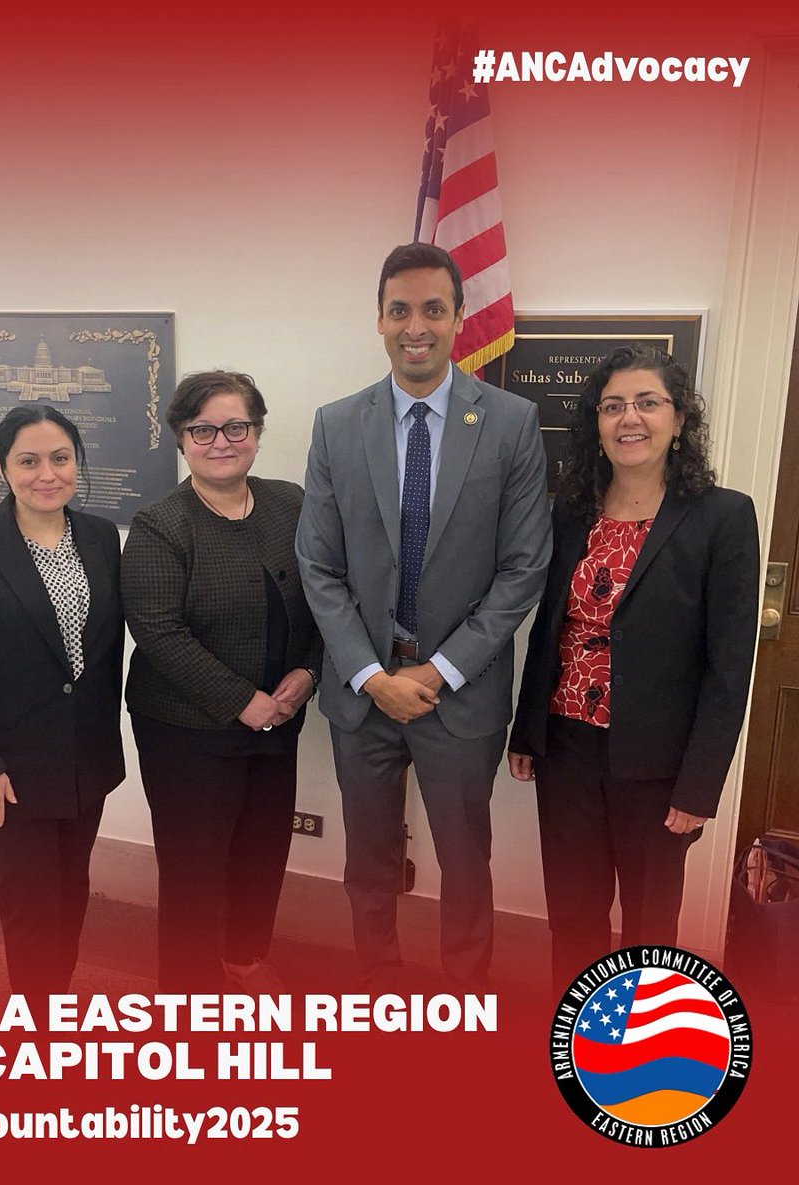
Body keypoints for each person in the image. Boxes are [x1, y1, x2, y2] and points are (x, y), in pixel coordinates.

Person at [296, 243, 552, 991]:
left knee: (466, 861)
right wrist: (373, 675)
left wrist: (436, 672)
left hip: (459, 694)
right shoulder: (337, 425)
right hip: (364, 692)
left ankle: (465, 996)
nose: (417, 326)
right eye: (400, 309)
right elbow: (320, 566)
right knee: (367, 857)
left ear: (458, 318)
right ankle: (377, 988)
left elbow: (523, 569)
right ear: (379, 318)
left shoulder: (509, 424)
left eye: (433, 309)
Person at [507, 344, 760, 993]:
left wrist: (699, 786)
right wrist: (525, 729)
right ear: (596, 421)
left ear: (679, 420)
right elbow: (551, 628)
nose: (630, 418)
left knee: (650, 925)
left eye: (648, 403)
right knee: (573, 913)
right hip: (565, 749)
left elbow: (728, 668)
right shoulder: (572, 511)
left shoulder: (723, 517)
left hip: (658, 764)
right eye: (614, 405)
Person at [121, 370, 322, 993]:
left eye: (236, 426)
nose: (221, 440)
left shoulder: (290, 502)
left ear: (257, 433)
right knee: (194, 868)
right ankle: (186, 990)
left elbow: (324, 597)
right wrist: (245, 702)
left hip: (280, 718)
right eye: (202, 429)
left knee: (263, 854)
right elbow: (158, 632)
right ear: (181, 440)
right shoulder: (161, 524)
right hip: (185, 728)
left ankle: (244, 959)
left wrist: (309, 673)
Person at [0, 404, 125, 999]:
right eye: (29, 460)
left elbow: (104, 651)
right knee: (30, 903)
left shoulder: (98, 536)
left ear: (77, 463)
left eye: (60, 459)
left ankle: (54, 1004)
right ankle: (38, 1026)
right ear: (3, 468)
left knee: (71, 893)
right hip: (6, 769)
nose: (47, 473)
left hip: (84, 759)